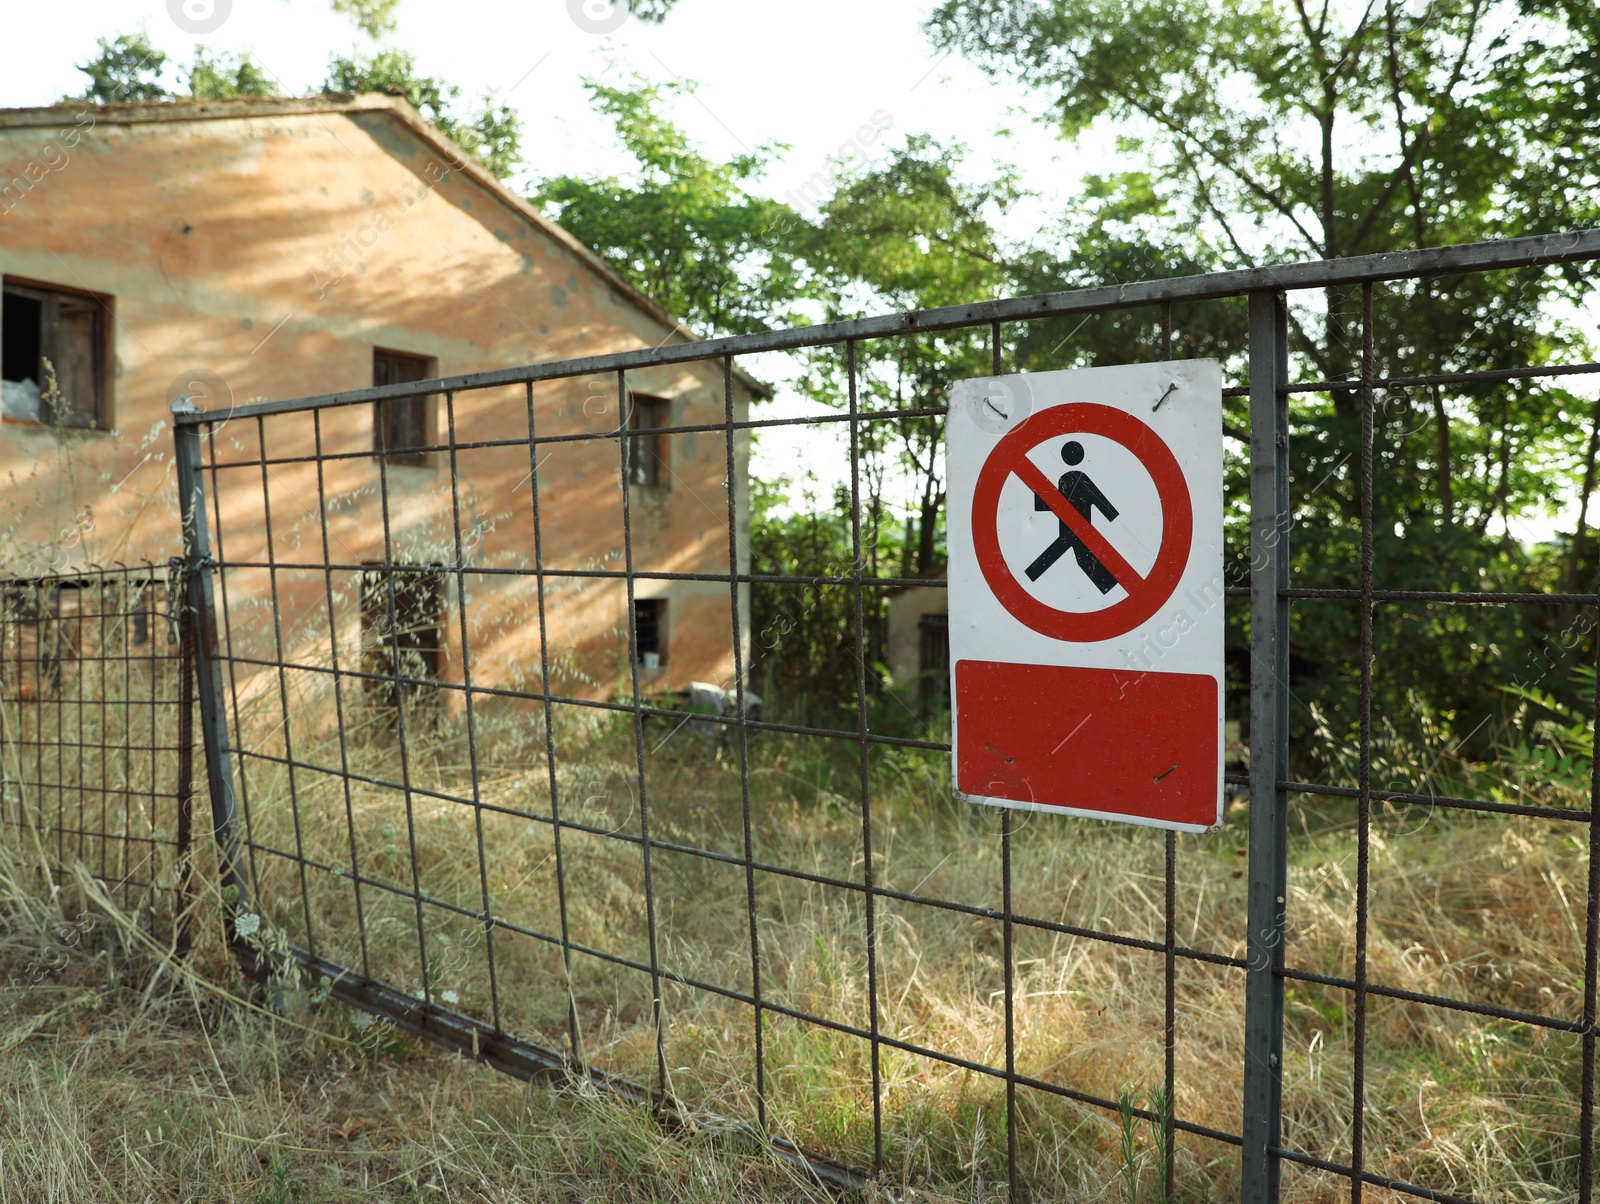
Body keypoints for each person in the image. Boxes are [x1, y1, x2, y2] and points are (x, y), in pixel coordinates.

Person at [1025, 440, 1119, 593]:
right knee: (1079, 556)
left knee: (1073, 554)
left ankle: (1029, 576)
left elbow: (1054, 502)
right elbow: (1099, 500)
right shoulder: (1076, 478)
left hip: (1076, 528)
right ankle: (1108, 585)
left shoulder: (1068, 479)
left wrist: (1111, 514)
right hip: (1078, 528)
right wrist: (1110, 514)